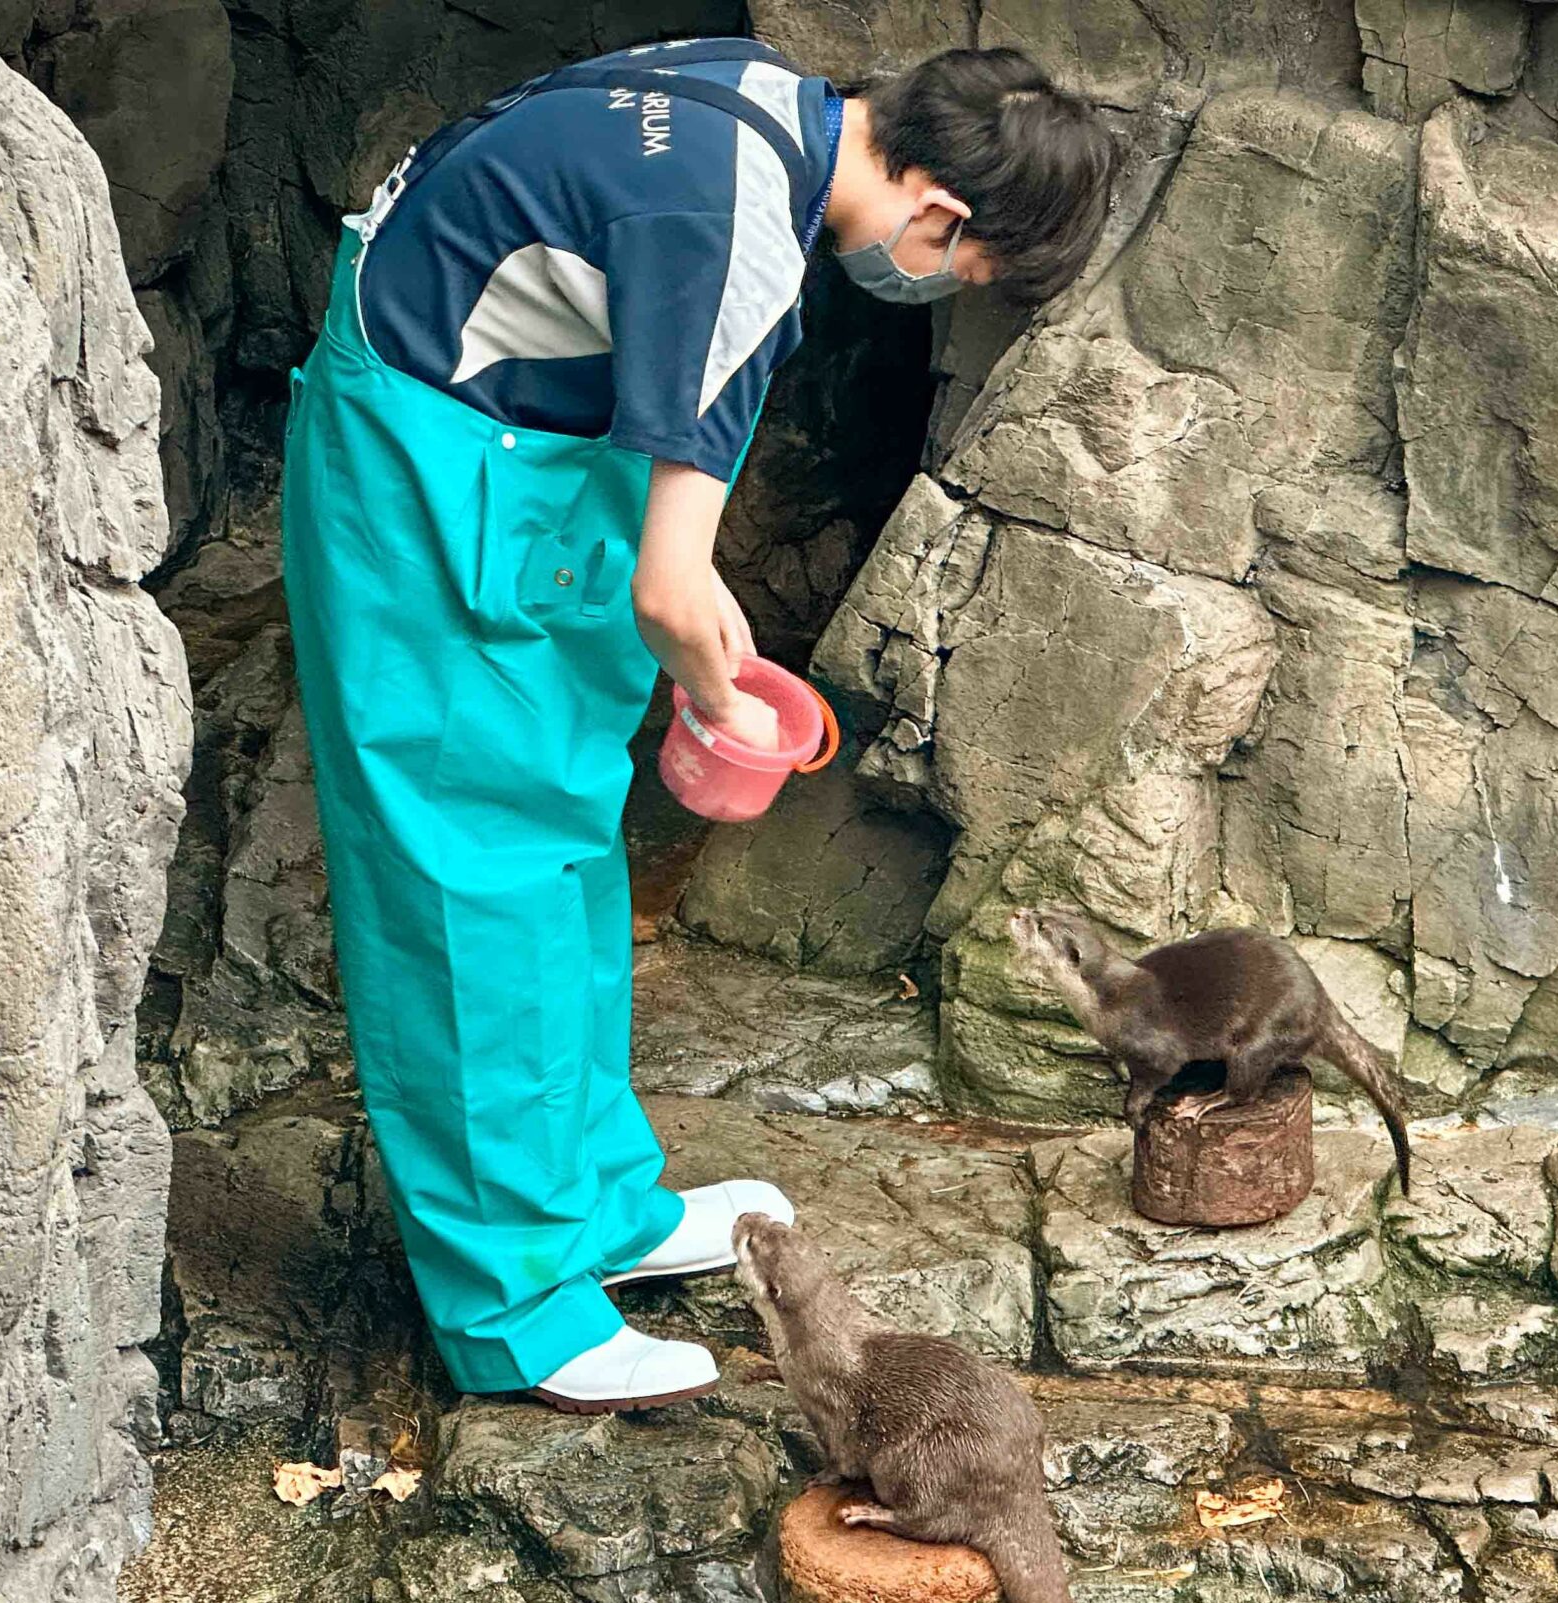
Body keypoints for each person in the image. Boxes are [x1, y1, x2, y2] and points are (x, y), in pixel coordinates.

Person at [280, 39, 1118, 1413]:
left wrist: (684, 605)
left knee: (557, 845)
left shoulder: (749, 90)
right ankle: (513, 1310)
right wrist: (726, 693)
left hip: (503, 448)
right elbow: (674, 588)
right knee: (471, 888)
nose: (936, 292)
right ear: (945, 221)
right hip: (427, 476)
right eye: (969, 277)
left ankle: (595, 1205)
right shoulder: (736, 237)